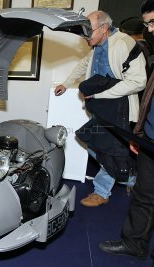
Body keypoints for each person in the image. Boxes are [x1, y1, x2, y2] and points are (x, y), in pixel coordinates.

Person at [54, 11, 147, 207]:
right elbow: (83, 65)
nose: (85, 35)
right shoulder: (97, 46)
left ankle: (102, 191)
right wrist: (66, 83)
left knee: (109, 149)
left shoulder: (123, 44)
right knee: (89, 139)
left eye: (89, 30)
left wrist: (99, 95)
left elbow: (139, 81)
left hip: (119, 109)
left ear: (104, 28)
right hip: (102, 108)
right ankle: (128, 177)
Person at [99, 0, 154, 259]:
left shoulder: (124, 44)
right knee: (144, 196)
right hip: (150, 140)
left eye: (153, 22)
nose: (150, 30)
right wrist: (140, 134)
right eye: (147, 24)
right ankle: (134, 243)